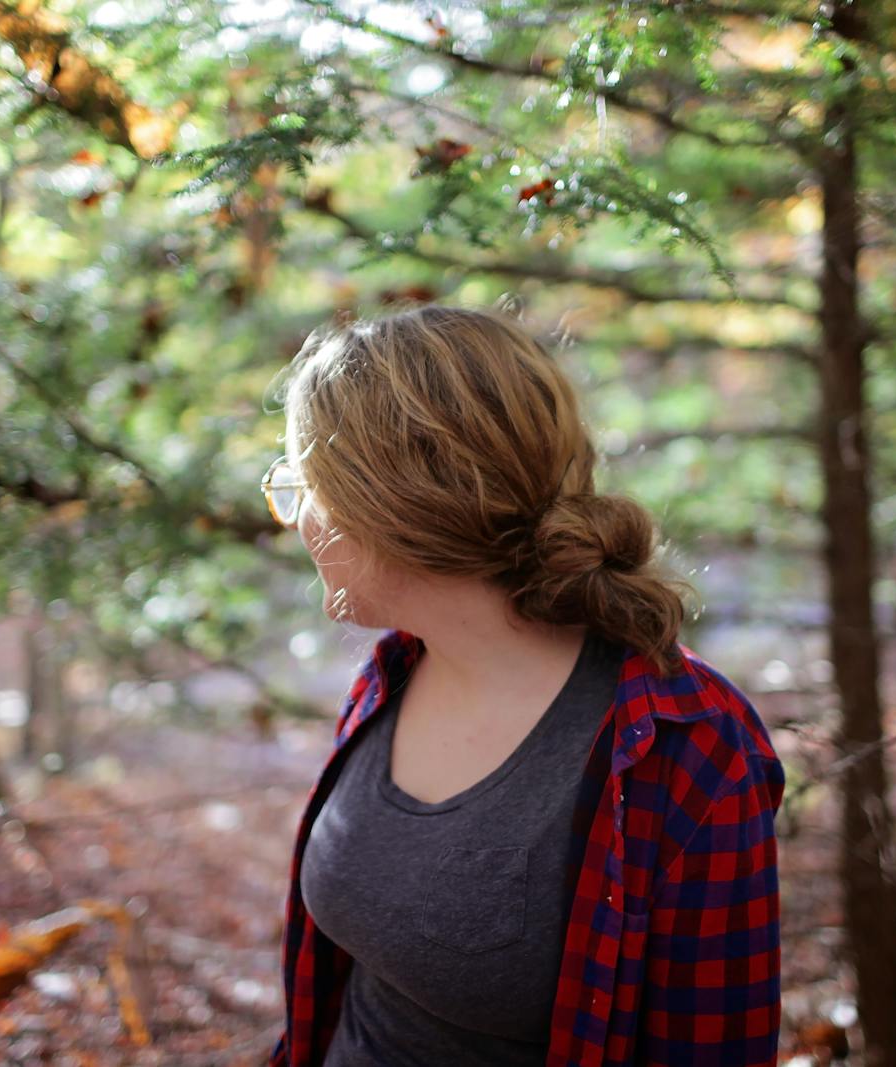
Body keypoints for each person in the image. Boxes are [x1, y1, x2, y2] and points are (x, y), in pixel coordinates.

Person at [259, 303, 784, 1067]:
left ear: (392, 506)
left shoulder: (687, 745)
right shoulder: (394, 674)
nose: (296, 519)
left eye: (306, 485)